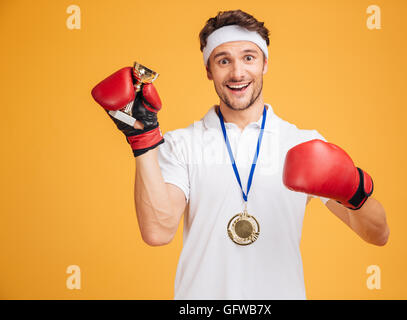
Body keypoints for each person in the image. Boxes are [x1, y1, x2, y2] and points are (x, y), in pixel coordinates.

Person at [92, 9, 390, 300]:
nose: (237, 72)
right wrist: (142, 138)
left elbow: (377, 235)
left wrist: (354, 189)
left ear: (264, 64)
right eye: (224, 60)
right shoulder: (182, 144)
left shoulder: (301, 143)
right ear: (209, 70)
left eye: (249, 57)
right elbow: (157, 232)